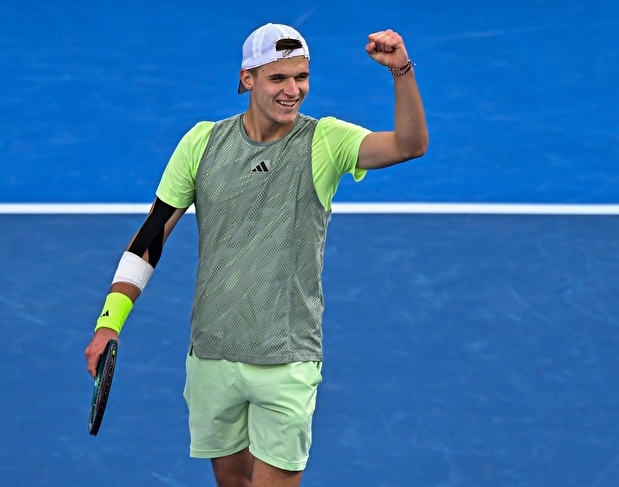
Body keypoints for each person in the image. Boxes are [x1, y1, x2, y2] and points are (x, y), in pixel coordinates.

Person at [85, 22, 427, 487]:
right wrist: (109, 321)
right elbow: (150, 237)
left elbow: (410, 145)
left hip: (286, 358)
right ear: (247, 79)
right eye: (278, 78)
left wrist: (401, 71)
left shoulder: (326, 140)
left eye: (301, 77)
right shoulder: (202, 142)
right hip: (212, 353)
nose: (293, 90)